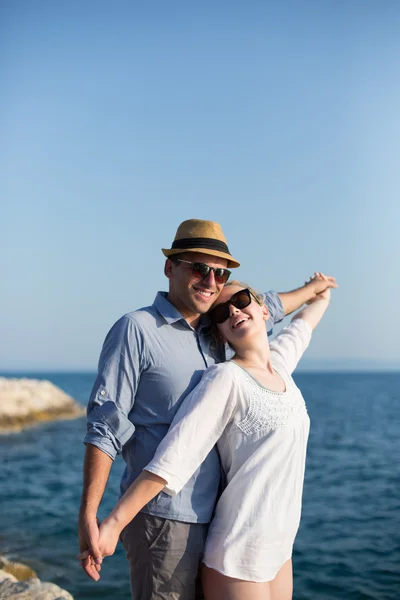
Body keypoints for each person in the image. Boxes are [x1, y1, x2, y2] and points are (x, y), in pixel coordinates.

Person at [78, 218, 337, 599]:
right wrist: (94, 514)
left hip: (215, 514)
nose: (211, 281)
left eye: (219, 273)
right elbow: (106, 424)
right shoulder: (138, 330)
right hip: (164, 517)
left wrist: (316, 289)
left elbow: (264, 306)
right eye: (199, 268)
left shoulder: (214, 328)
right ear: (170, 267)